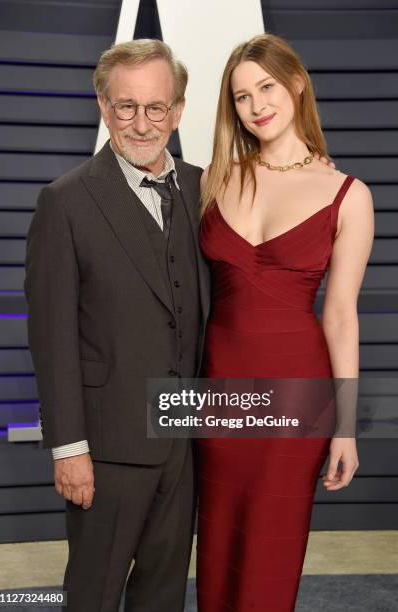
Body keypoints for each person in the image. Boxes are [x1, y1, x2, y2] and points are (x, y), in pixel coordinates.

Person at [24, 39, 210, 612]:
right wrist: (68, 449)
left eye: (156, 107)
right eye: (125, 106)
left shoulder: (206, 188)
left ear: (178, 112)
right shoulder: (66, 201)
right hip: (104, 449)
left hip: (185, 440)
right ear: (103, 107)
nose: (142, 122)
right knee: (93, 595)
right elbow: (52, 340)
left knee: (162, 594)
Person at [197, 34, 374, 611]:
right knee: (217, 550)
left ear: (296, 82)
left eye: (266, 87)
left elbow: (341, 316)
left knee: (270, 555)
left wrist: (343, 427)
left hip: (297, 393)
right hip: (215, 390)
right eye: (242, 96)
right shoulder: (215, 179)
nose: (256, 106)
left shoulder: (347, 195)